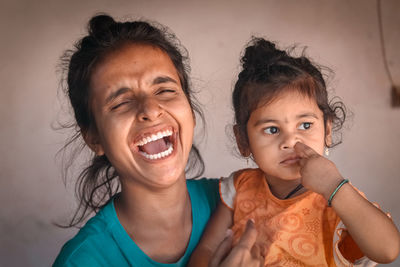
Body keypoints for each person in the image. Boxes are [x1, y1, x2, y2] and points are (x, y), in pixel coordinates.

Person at [53, 14, 263, 266]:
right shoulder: (83, 261)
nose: (151, 110)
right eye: (121, 102)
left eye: (165, 90)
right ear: (93, 137)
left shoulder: (247, 201)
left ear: (190, 110)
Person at [188, 38, 400, 266]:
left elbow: (388, 251)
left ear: (327, 130)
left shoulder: (340, 201)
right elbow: (207, 248)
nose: (290, 140)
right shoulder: (240, 187)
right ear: (243, 140)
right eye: (271, 129)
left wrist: (334, 186)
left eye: (306, 125)